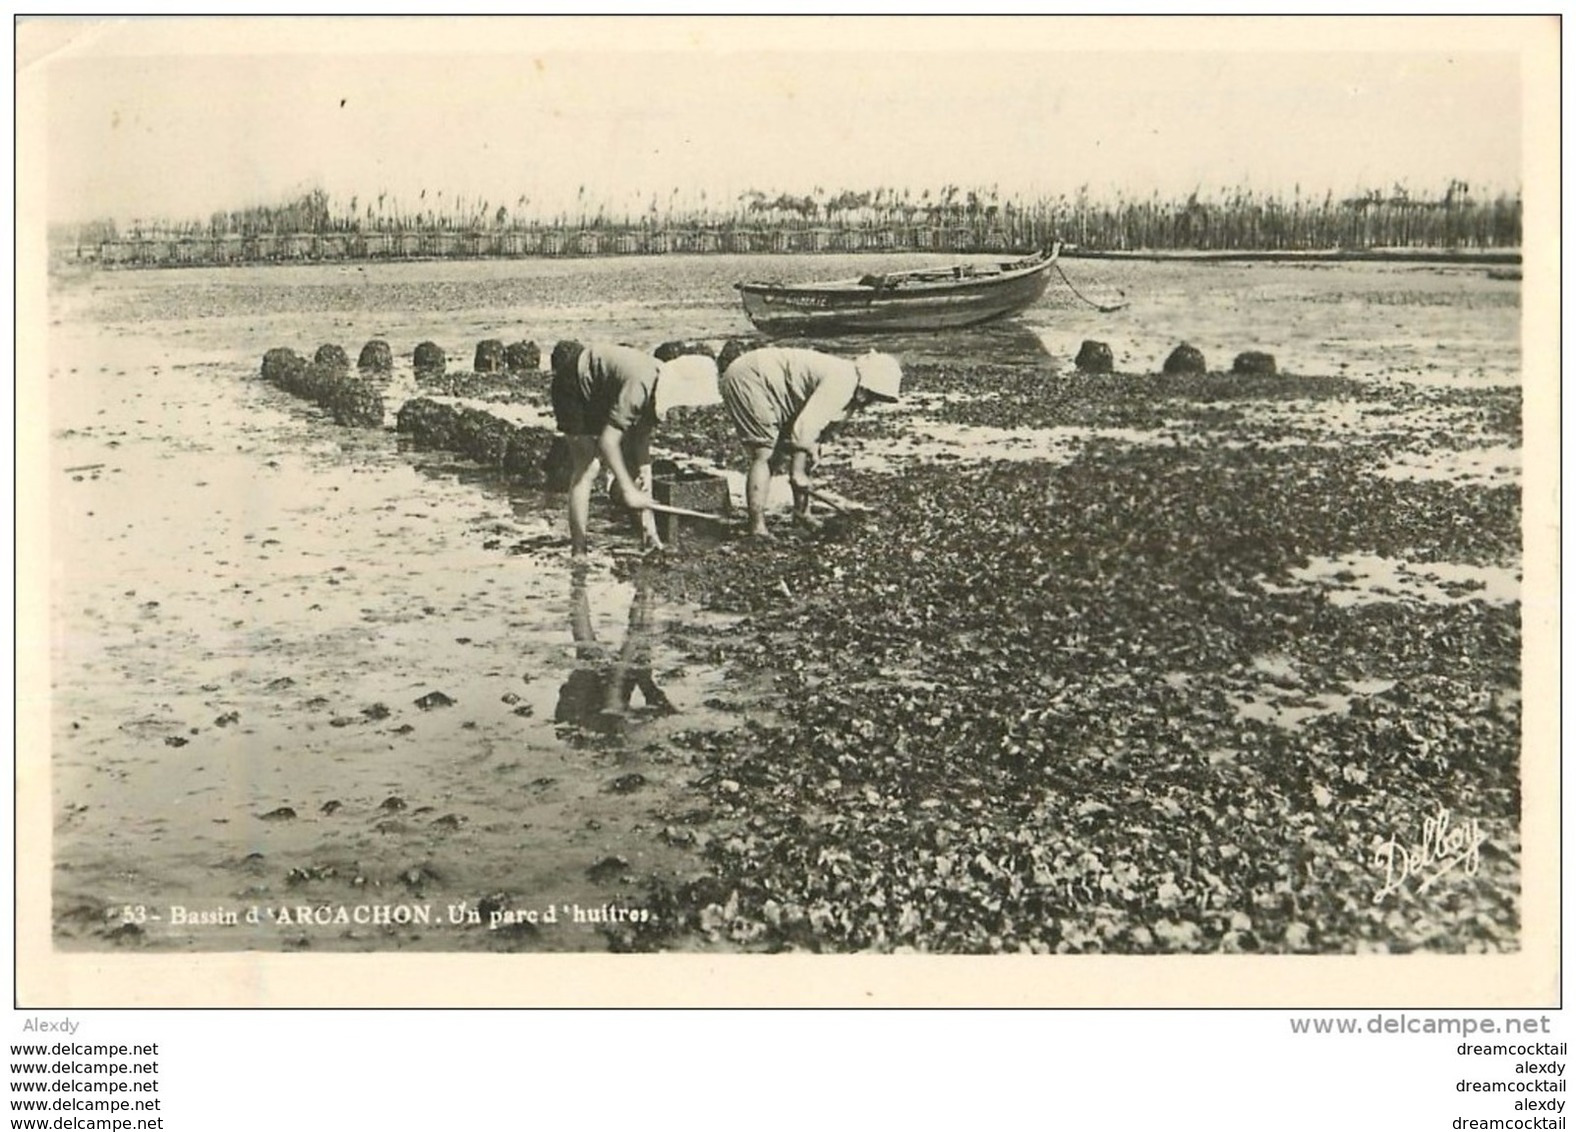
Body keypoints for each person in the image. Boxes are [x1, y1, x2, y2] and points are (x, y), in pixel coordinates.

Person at [550, 341, 718, 560]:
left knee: (638, 473)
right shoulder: (640, 386)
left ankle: (649, 538)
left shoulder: (657, 382)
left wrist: (644, 470)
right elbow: (608, 442)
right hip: (573, 383)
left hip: (603, 389)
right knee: (588, 466)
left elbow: (640, 437)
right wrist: (629, 490)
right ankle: (579, 550)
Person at [719, 347, 902, 537]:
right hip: (750, 377)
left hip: (775, 387)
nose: (872, 402)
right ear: (866, 387)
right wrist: (797, 472)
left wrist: (812, 453)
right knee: (765, 453)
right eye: (875, 396)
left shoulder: (850, 389)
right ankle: (757, 527)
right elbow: (805, 427)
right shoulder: (843, 381)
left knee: (794, 453)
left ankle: (801, 514)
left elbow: (817, 433)